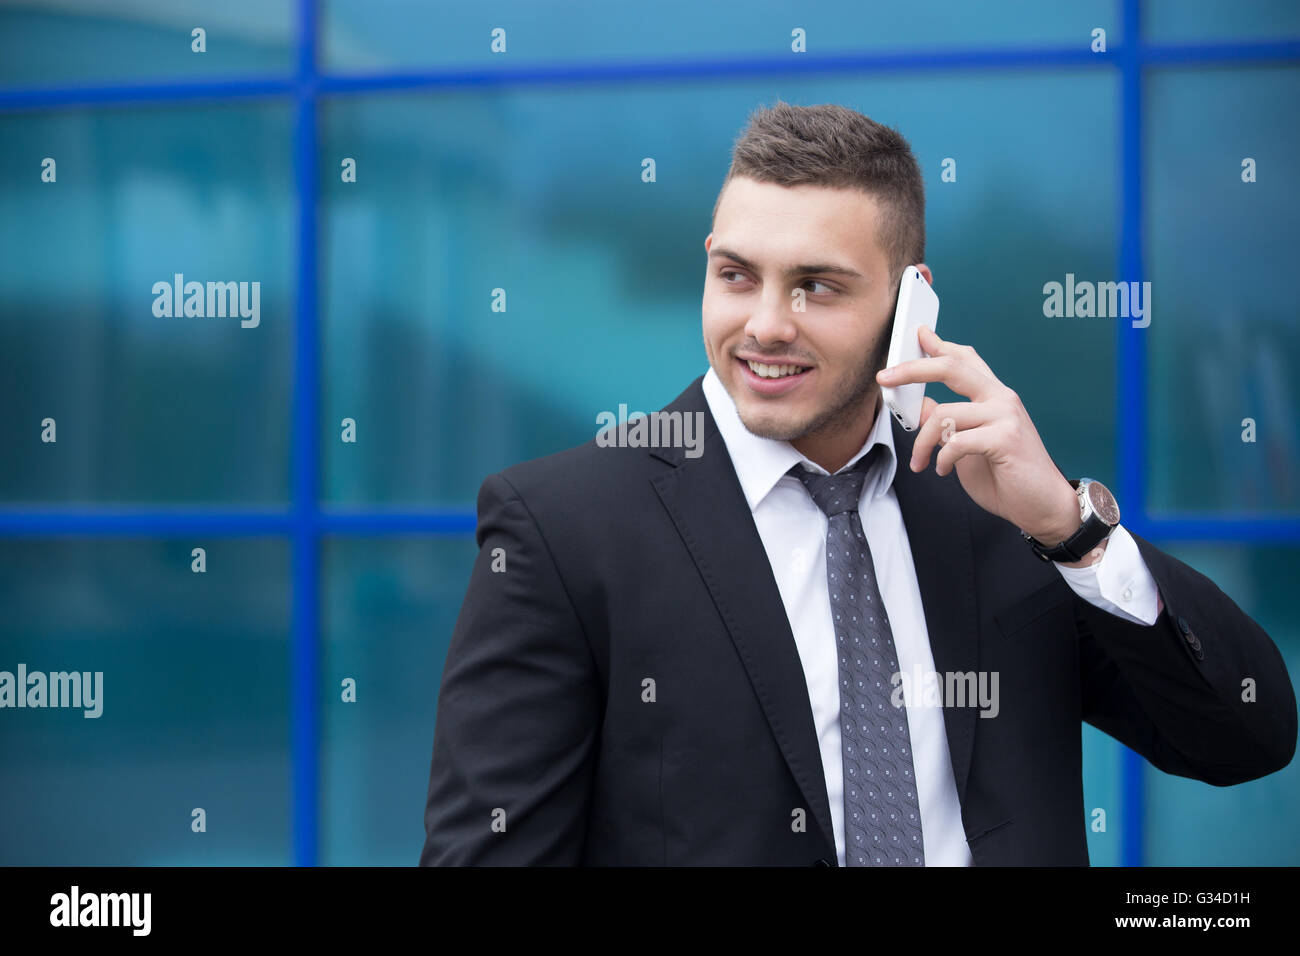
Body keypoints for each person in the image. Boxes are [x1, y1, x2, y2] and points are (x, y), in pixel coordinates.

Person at [419, 100, 1296, 866]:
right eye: (736, 275)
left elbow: (1245, 738)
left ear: (911, 304)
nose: (764, 325)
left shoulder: (1003, 508)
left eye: (816, 287)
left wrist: (1073, 529)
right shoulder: (565, 530)